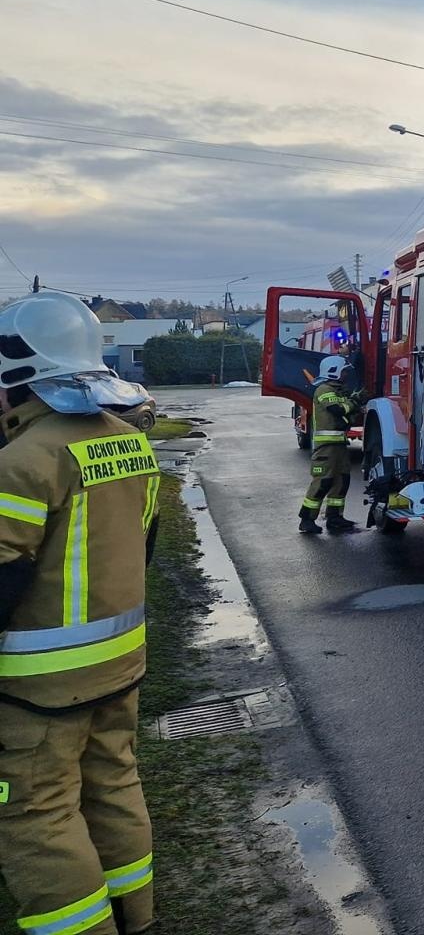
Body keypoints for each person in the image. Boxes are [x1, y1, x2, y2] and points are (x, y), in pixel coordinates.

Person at [0, 291, 159, 935]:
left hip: (39, 686)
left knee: (36, 814)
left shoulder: (24, 462)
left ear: (19, 376)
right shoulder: (128, 441)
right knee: (114, 786)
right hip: (120, 664)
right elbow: (142, 545)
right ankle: (134, 921)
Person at [298, 355, 362, 536]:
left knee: (342, 481)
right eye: (343, 372)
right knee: (322, 482)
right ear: (333, 372)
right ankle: (307, 520)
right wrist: (354, 402)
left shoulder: (338, 391)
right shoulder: (324, 389)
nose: (346, 375)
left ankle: (335, 518)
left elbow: (344, 414)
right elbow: (338, 410)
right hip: (326, 447)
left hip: (339, 445)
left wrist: (352, 402)